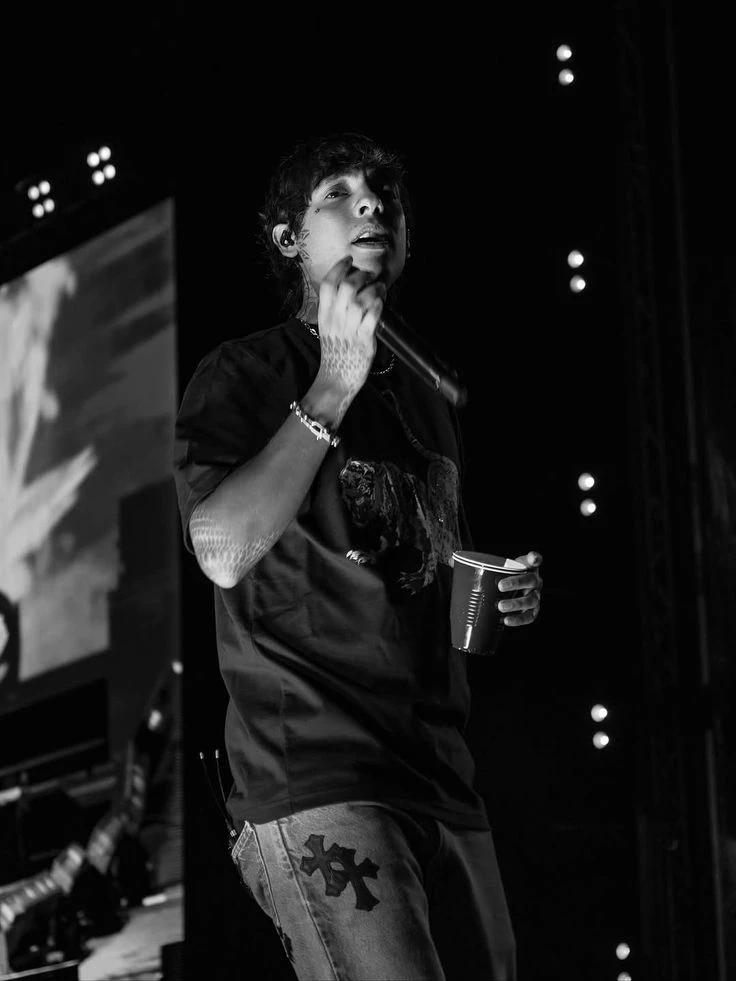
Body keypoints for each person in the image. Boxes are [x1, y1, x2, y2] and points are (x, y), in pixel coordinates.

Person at [173, 132, 543, 981]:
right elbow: (221, 549)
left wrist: (501, 590)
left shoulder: (423, 395)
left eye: (382, 189)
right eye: (336, 193)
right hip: (319, 774)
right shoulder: (246, 371)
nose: (372, 200)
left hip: (440, 777)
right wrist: (334, 381)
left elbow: (416, 563)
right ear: (289, 239)